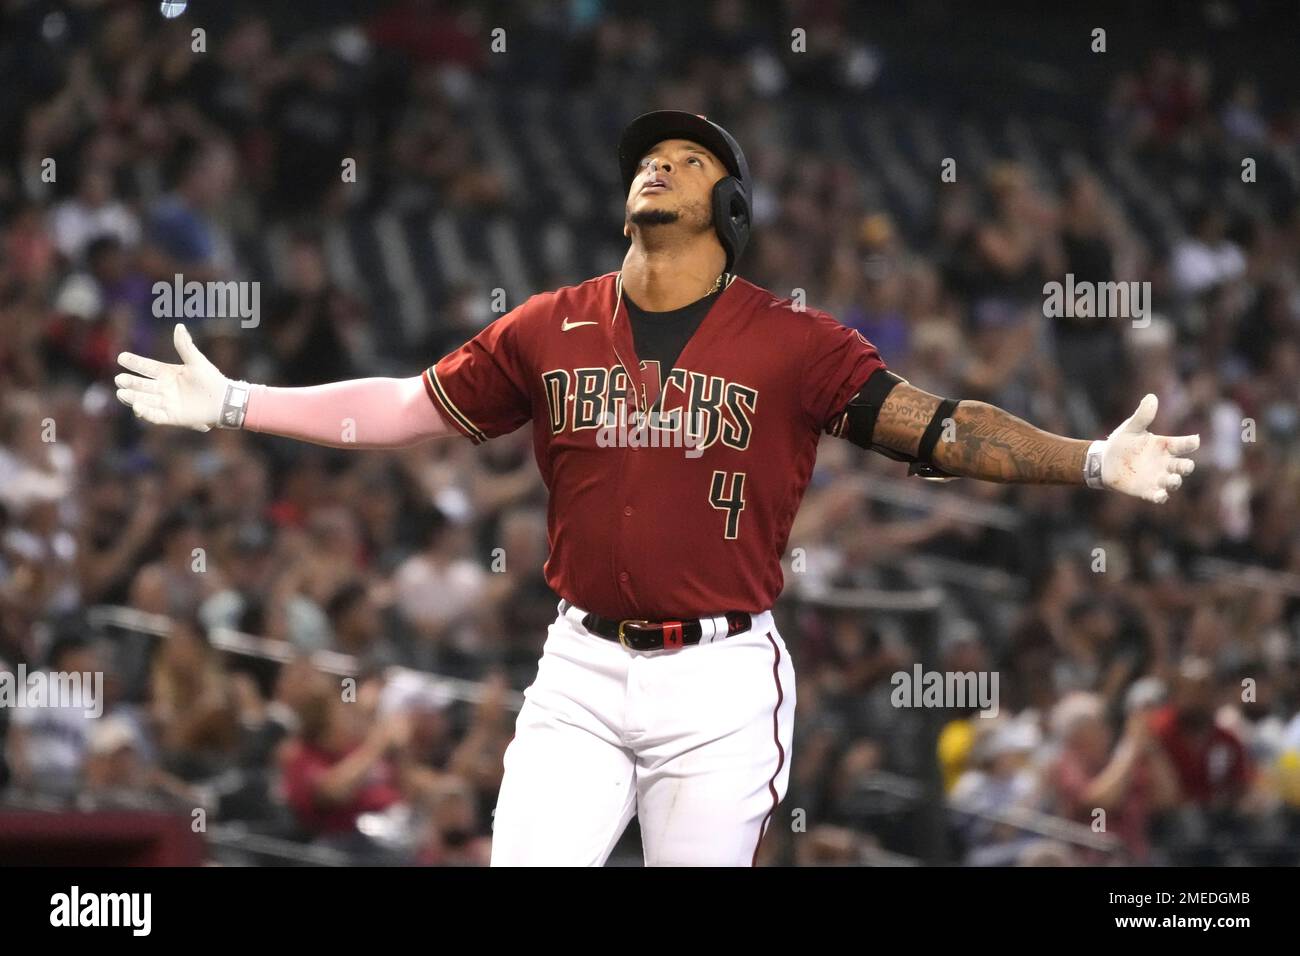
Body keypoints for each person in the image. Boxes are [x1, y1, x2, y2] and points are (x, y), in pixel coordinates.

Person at [114, 111, 1200, 866]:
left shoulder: (793, 340)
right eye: (651, 157)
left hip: (719, 683)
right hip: (579, 664)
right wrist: (236, 401)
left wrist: (1088, 458)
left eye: (687, 160)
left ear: (730, 210)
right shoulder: (549, 321)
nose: (660, 166)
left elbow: (937, 426)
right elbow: (404, 406)